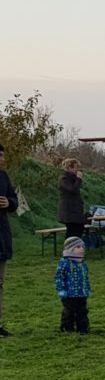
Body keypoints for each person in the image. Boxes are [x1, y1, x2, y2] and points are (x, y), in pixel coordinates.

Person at [55, 236, 91, 334]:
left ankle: (83, 328)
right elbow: (59, 277)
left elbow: (85, 277)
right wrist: (61, 289)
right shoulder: (64, 263)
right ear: (71, 249)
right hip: (69, 294)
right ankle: (67, 328)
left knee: (82, 311)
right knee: (69, 312)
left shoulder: (83, 263)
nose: (81, 249)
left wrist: (87, 289)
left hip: (81, 293)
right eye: (78, 247)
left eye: (82, 247)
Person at [0, 144, 17, 337]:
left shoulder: (3, 177)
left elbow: (14, 199)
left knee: (0, 282)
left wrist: (9, 203)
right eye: (1, 156)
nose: (3, 160)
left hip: (1, 236)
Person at [58, 158, 86, 239]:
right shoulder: (64, 178)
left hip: (75, 210)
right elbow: (72, 189)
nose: (78, 170)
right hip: (69, 210)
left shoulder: (73, 178)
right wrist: (79, 179)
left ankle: (75, 248)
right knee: (72, 231)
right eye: (76, 167)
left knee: (79, 229)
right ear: (70, 168)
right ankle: (69, 249)